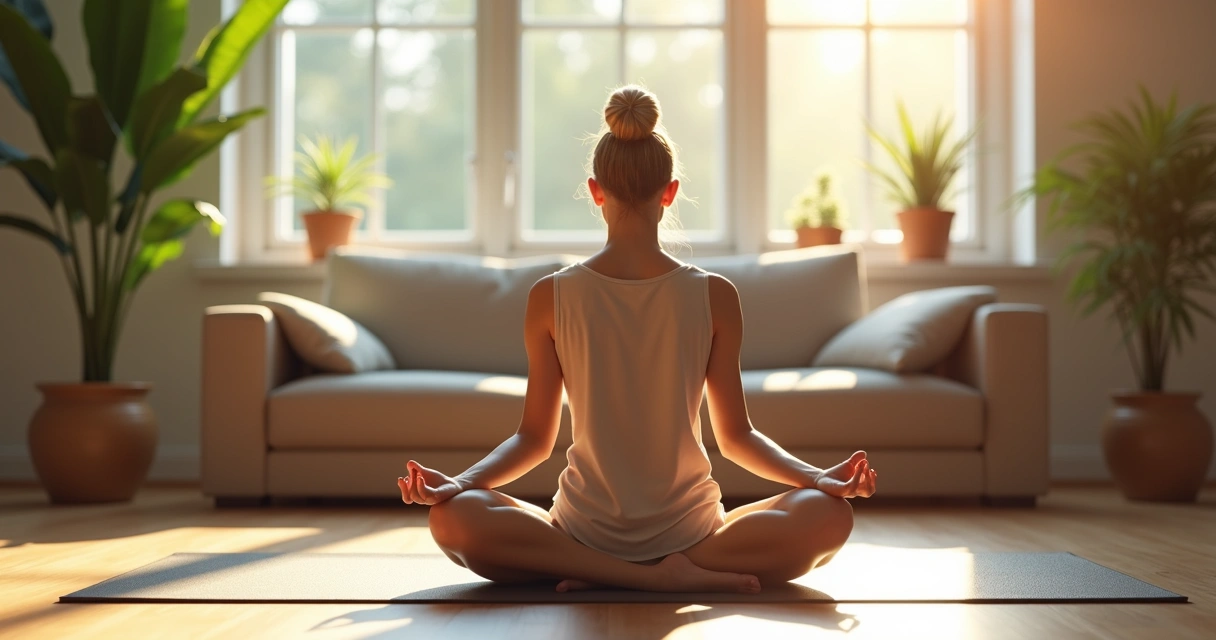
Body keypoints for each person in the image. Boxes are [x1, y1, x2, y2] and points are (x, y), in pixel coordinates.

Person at [397, 85, 877, 594]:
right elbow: (737, 438)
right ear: (669, 192)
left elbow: (534, 440)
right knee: (829, 516)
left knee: (454, 519)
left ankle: (595, 572)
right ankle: (670, 578)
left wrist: (461, 484)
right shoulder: (716, 295)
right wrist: (817, 478)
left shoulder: (548, 296)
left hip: (580, 536)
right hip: (693, 539)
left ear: (594, 190)